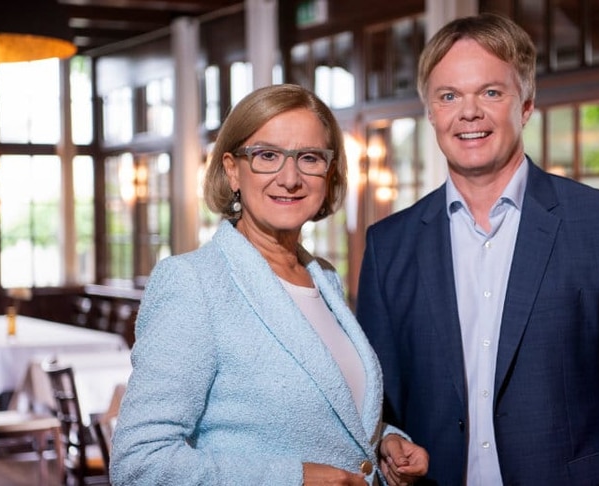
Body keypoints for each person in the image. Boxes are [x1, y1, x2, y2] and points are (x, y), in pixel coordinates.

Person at [356, 13, 599, 485]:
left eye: (491, 92)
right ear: (430, 113)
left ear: (526, 105)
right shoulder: (389, 246)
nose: (469, 113)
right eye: (449, 96)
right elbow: (376, 406)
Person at [111, 83, 428, 485]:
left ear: (329, 172)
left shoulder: (324, 277)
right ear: (232, 169)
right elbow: (139, 464)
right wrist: (296, 479)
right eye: (267, 156)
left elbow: (330, 413)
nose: (290, 178)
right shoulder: (194, 283)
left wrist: (385, 443)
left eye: (309, 158)